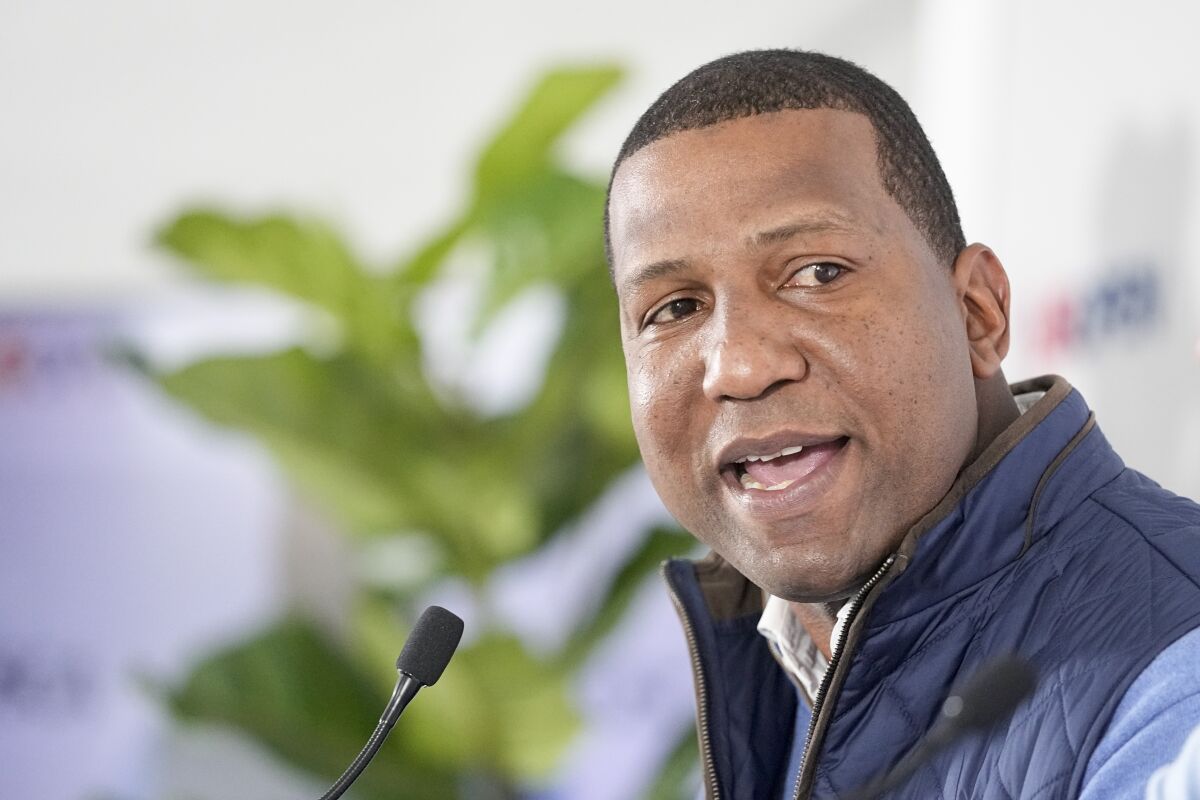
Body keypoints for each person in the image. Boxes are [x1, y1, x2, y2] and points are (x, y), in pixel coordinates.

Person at [604, 49, 1200, 799]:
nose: (740, 365)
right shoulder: (783, 659)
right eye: (675, 309)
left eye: (816, 272)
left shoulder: (1179, 686)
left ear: (978, 313)